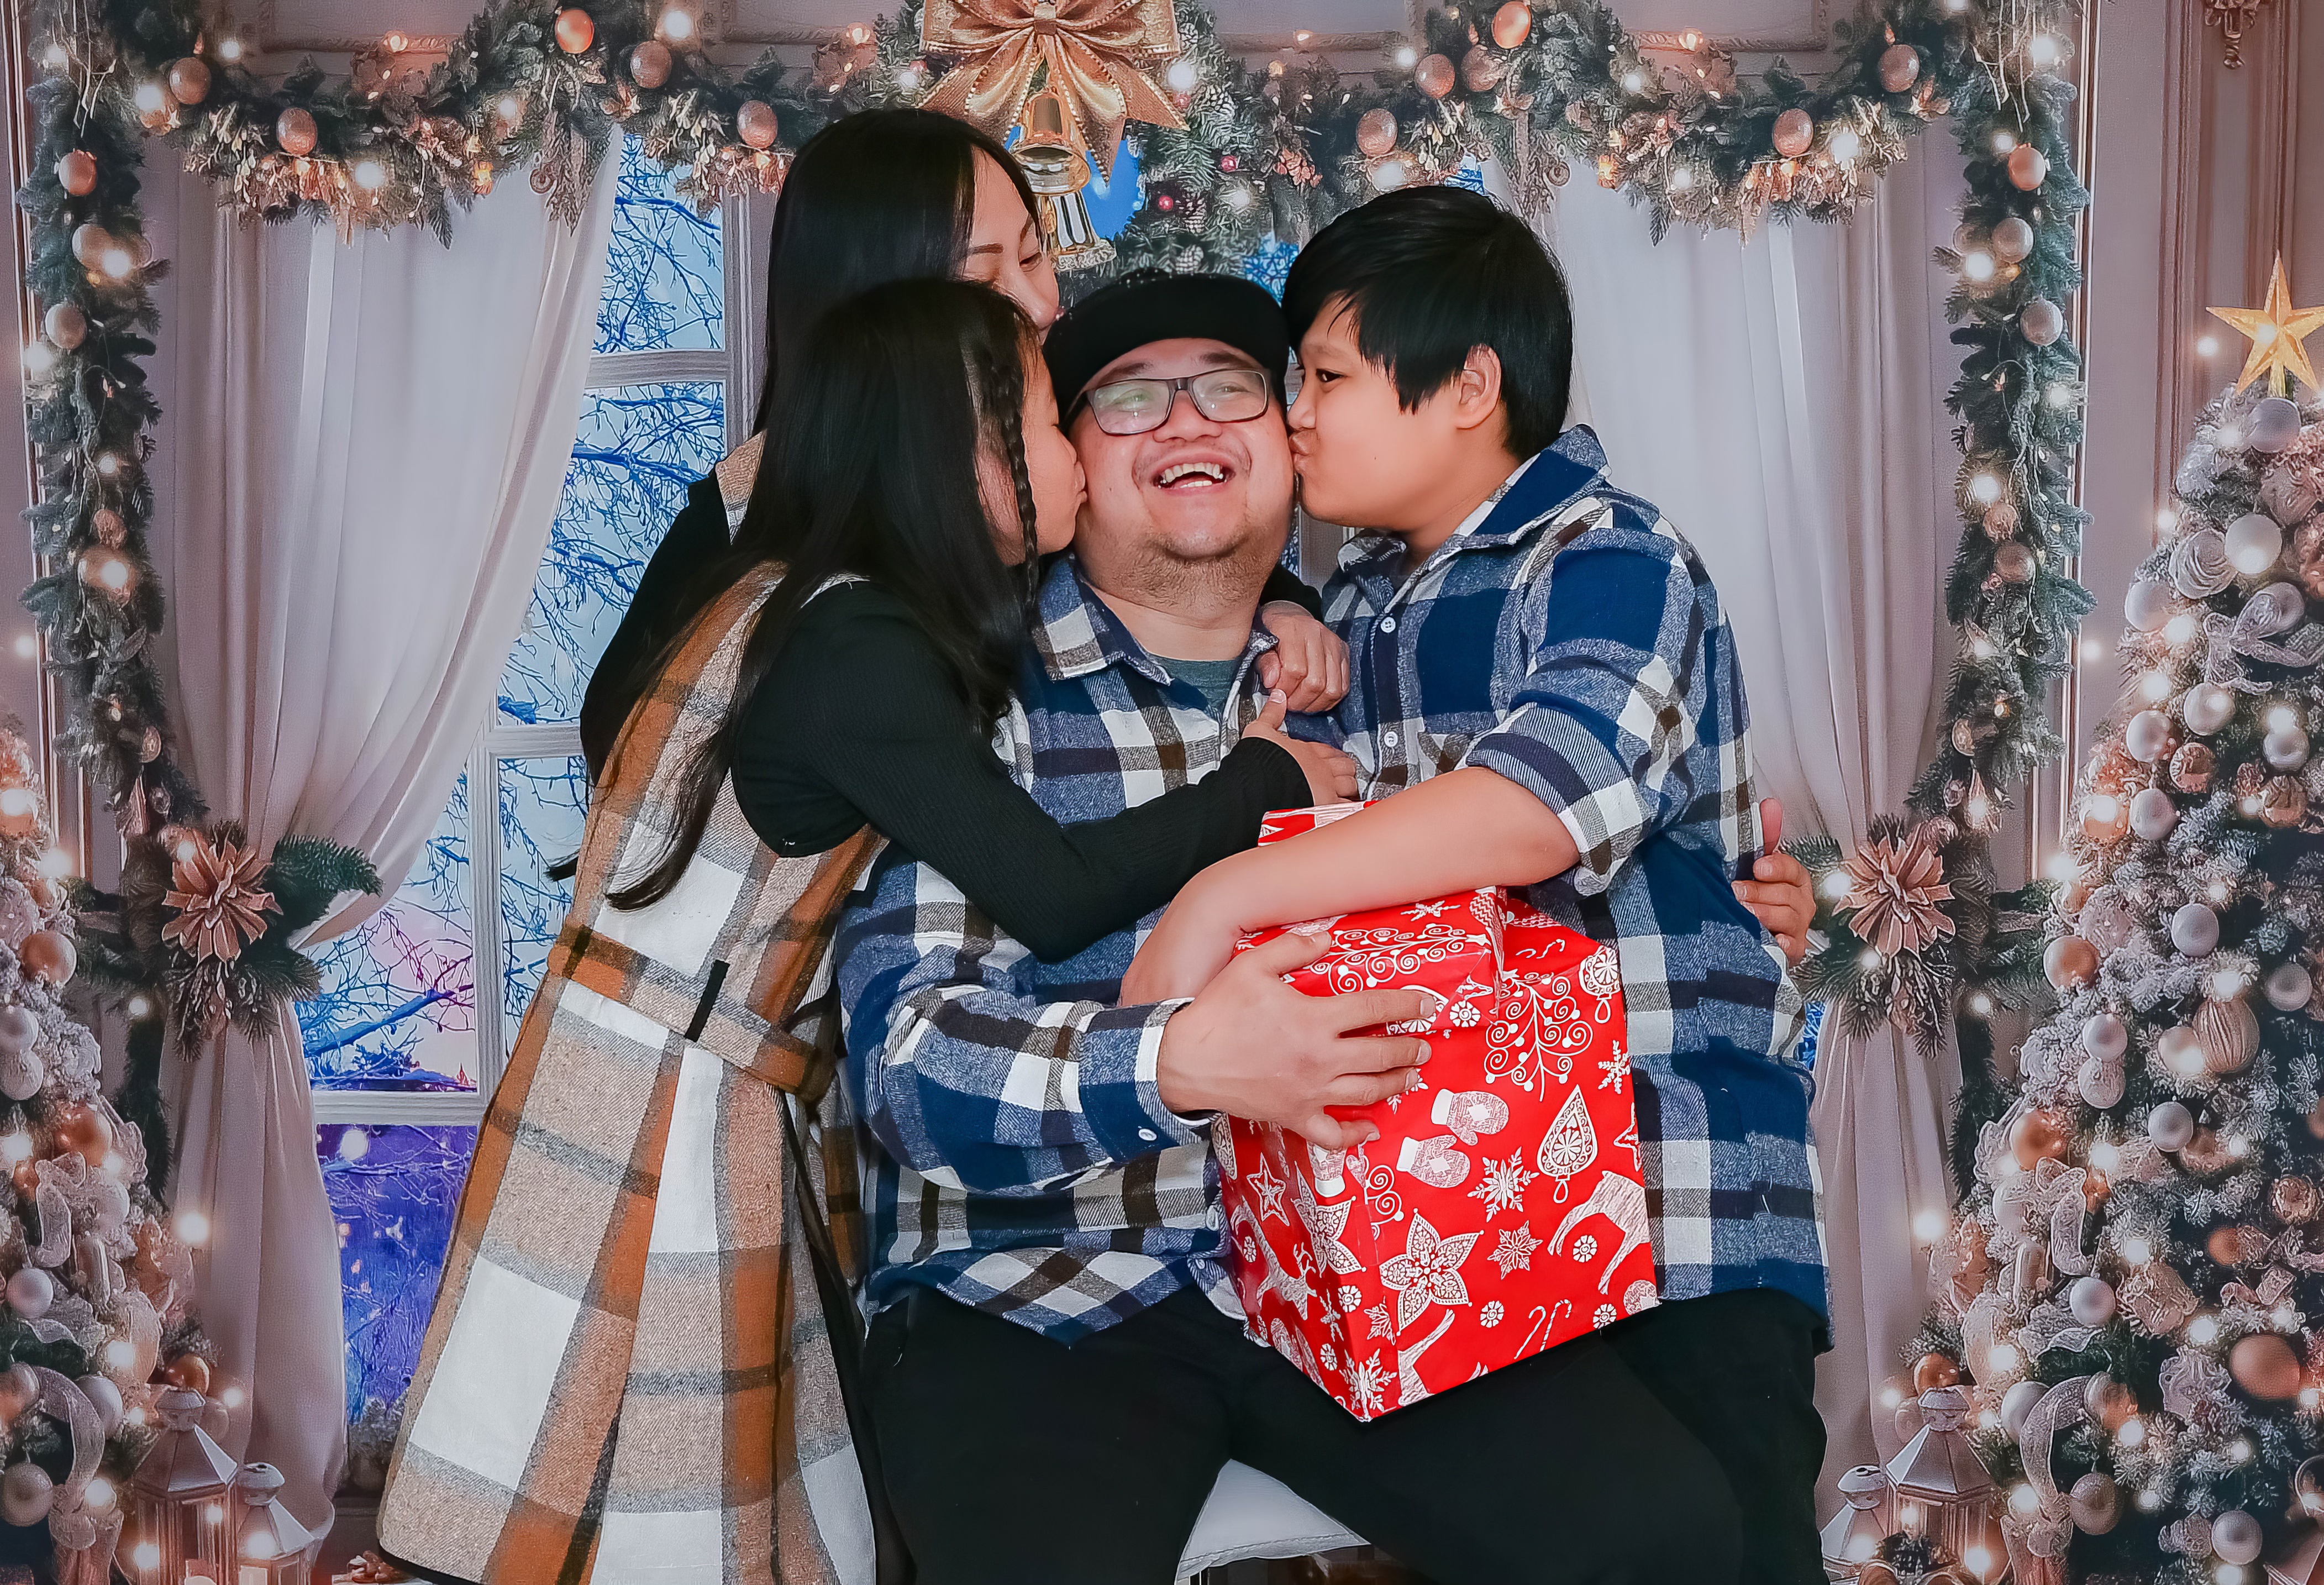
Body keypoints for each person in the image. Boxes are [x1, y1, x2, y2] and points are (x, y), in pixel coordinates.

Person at [830, 269, 1820, 1585]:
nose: (1187, 420)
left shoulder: (1365, 683)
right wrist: (1175, 1061)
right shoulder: (967, 697)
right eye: (1126, 399)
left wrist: (1735, 898)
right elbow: (903, 1068)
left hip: (1359, 1280)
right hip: (1038, 1291)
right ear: (1061, 462)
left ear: (1289, 448)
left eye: (1232, 386)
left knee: (1667, 1534)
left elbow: (1553, 817)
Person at [377, 280, 1351, 1585]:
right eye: (1050, 425)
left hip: (701, 1064)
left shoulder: (802, 601)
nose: (1074, 456)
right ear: (965, 457)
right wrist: (1261, 783)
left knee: (642, 1485)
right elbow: (1055, 890)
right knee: (644, 1499)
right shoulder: (860, 647)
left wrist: (1276, 594)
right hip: (670, 1095)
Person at [1124, 189, 1829, 1584]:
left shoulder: (1612, 557)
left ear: (1467, 387)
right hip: (1473, 1210)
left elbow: (1536, 806)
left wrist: (1224, 898)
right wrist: (1289, 624)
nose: (1297, 419)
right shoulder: (1364, 601)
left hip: (1672, 1192)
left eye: (1327, 377)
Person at [579, 107, 1344, 779]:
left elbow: (1155, 546)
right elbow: (629, 755)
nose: (1041, 306)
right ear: (883, 318)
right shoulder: (749, 524)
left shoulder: (1030, 450)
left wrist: (1279, 607)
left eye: (1035, 255)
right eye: (984, 283)